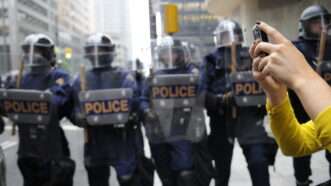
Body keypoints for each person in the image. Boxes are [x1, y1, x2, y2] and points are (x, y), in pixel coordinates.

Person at [250, 20, 331, 178]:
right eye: (317, 23)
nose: (323, 28)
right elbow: (294, 143)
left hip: (317, 103)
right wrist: (276, 94)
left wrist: (302, 77)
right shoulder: (301, 46)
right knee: (301, 164)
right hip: (304, 107)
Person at [202, 19, 276, 186]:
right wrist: (220, 100)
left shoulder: (251, 54)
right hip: (222, 119)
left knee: (258, 162)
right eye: (226, 36)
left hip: (249, 116)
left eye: (234, 35)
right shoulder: (211, 59)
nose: (231, 39)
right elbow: (201, 91)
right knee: (222, 170)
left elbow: (267, 79)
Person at [71, 33, 142, 186]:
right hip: (95, 139)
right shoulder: (80, 79)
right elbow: (73, 107)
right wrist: (77, 117)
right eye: (94, 50)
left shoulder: (124, 76)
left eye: (102, 50)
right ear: (88, 53)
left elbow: (134, 101)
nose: (98, 54)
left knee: (128, 180)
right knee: (97, 180)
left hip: (121, 138)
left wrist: (132, 114)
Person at [140, 38, 213, 186]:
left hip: (184, 129)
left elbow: (201, 94)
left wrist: (196, 78)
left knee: (186, 173)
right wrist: (147, 111)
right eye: (165, 54)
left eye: (172, 53)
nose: (169, 57)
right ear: (160, 56)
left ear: (180, 54)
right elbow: (142, 98)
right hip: (160, 130)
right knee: (166, 175)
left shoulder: (192, 73)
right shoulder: (154, 76)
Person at [5, 34, 75, 186]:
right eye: (32, 51)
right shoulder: (17, 79)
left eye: (39, 51)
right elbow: (5, 104)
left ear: (49, 53)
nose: (35, 55)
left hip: (52, 147)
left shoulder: (58, 75)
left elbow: (60, 94)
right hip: (26, 148)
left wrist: (46, 99)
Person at [289, 5, 331, 185]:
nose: (322, 28)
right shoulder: (295, 49)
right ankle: (302, 180)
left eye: (326, 24)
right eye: (317, 24)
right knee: (302, 152)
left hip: (327, 108)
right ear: (306, 26)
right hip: (302, 110)